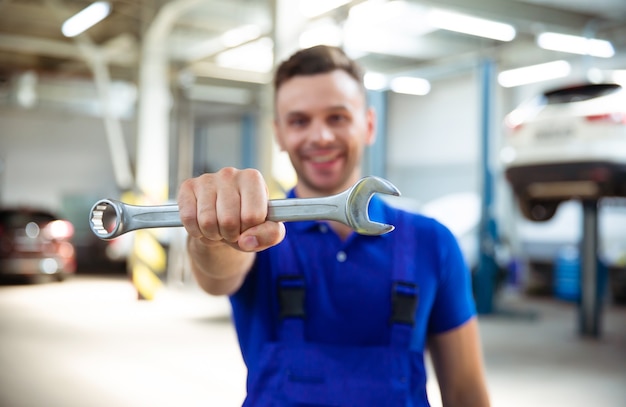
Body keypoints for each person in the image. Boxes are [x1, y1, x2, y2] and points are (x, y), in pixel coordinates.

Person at [177, 45, 490, 406]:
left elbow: (466, 390)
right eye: (299, 121)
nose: (321, 136)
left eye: (337, 117)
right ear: (278, 134)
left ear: (368, 125)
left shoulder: (432, 242)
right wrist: (216, 236)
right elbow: (217, 276)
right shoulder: (259, 232)